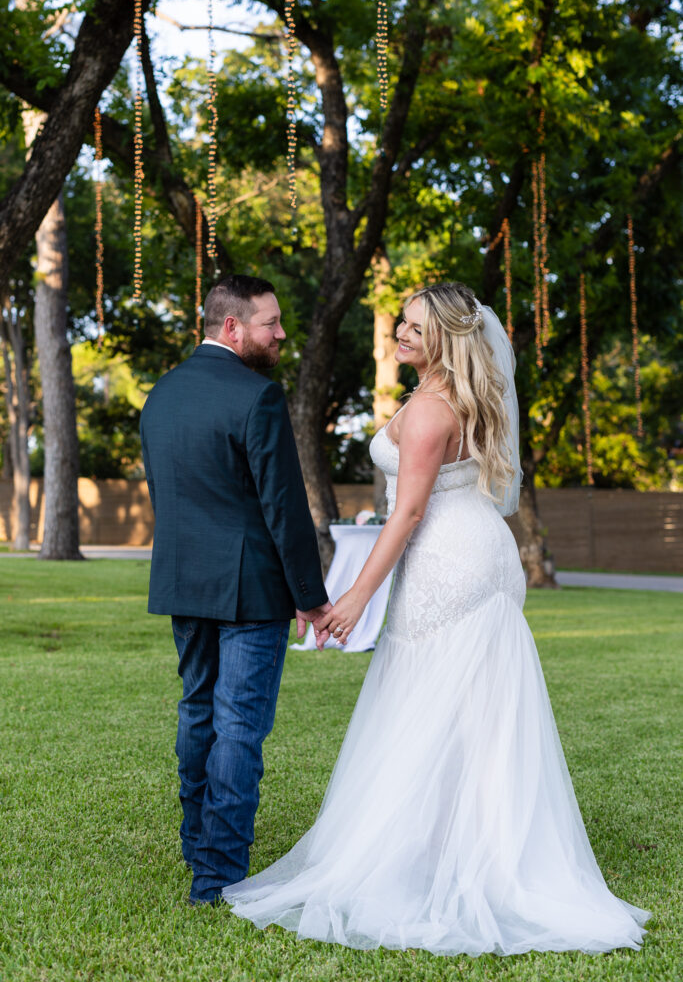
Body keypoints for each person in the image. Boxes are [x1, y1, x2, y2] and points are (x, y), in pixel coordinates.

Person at [221, 282, 650, 954]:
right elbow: (421, 496)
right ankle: (462, 846)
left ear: (446, 339)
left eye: (415, 328)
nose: (400, 333)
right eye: (401, 322)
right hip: (478, 546)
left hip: (446, 560)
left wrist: (358, 594)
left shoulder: (428, 411)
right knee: (468, 710)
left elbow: (411, 512)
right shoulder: (464, 400)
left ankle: (438, 862)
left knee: (428, 698)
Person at [140, 274, 330, 905]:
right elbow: (285, 509)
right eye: (270, 324)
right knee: (239, 727)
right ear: (232, 327)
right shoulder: (259, 397)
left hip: (183, 581)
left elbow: (166, 497)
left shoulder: (160, 396)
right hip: (251, 588)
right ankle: (218, 874)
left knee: (198, 711)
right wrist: (310, 595)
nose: (281, 335)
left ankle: (200, 846)